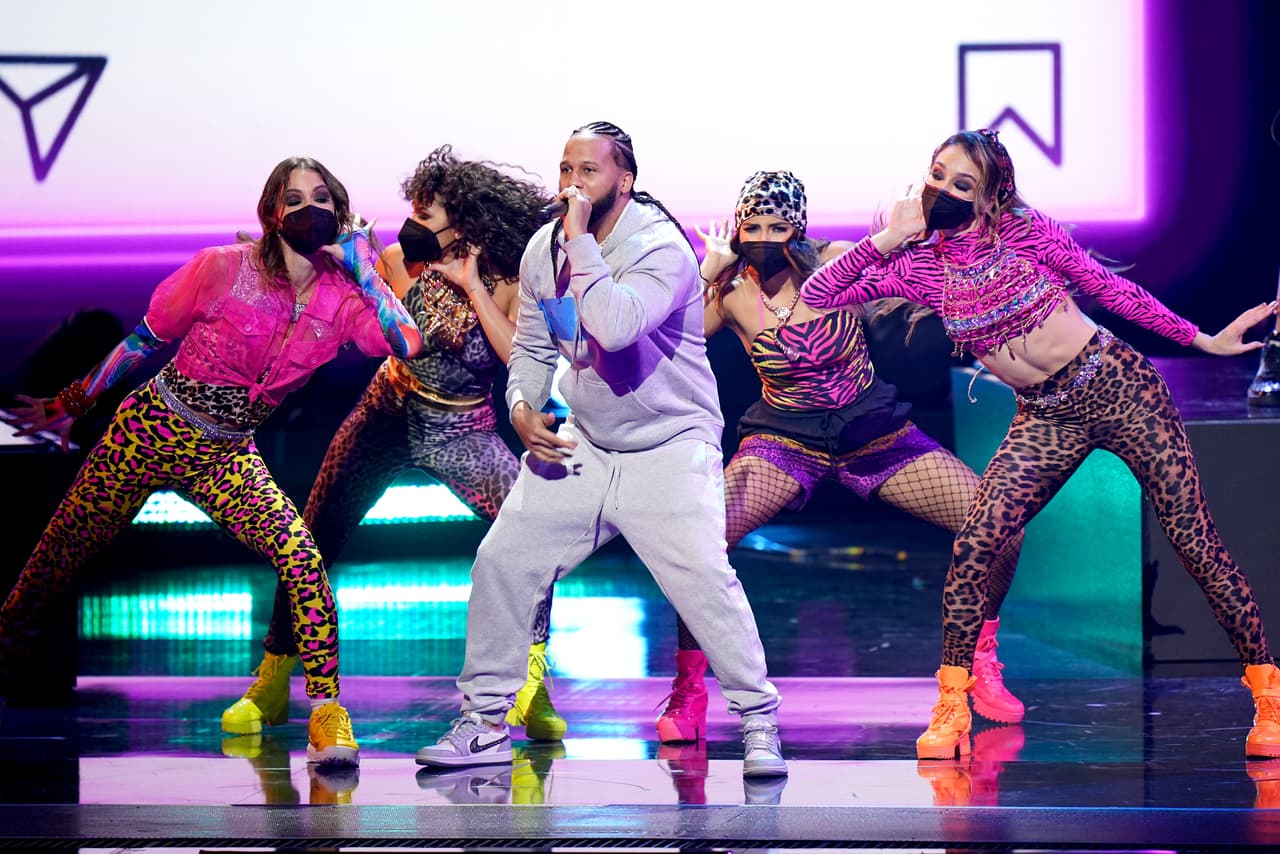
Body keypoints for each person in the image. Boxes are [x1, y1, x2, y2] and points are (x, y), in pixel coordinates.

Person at [800, 128, 1280, 760]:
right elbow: (817, 295)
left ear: (992, 195)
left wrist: (1200, 339)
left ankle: (1268, 696)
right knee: (977, 539)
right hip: (1046, 417)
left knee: (1194, 543)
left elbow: (1111, 292)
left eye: (962, 184)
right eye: (937, 175)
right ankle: (951, 706)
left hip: (1119, 389)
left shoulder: (1027, 234)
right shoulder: (917, 264)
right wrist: (887, 238)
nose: (942, 190)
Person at [3, 156, 423, 767]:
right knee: (51, 563)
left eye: (323, 198)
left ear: (340, 211)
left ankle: (328, 716)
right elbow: (145, 339)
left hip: (226, 455)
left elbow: (405, 342)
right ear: (272, 214)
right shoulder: (222, 268)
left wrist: (365, 269)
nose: (311, 209)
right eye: (295, 199)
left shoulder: (343, 298)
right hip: (147, 434)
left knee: (301, 557)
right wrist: (76, 399)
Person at [414, 121, 787, 778]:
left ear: (626, 180)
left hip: (670, 447)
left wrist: (581, 241)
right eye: (565, 170)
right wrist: (523, 408)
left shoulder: (660, 249)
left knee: (702, 581)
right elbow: (532, 348)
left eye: (588, 171)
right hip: (586, 442)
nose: (572, 184)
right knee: (503, 560)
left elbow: (612, 328)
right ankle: (483, 724)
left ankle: (759, 724)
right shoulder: (542, 250)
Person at [653, 170, 1026, 744]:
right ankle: (690, 687)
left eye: (778, 226)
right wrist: (709, 270)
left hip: (872, 436)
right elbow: (674, 336)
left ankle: (980, 660)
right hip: (784, 442)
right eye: (751, 226)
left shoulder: (839, 264)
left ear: (799, 228)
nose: (763, 237)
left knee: (998, 523)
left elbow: (918, 272)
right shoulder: (729, 291)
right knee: (698, 542)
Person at [220, 145, 571, 742]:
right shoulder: (395, 259)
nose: (413, 224)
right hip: (386, 410)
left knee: (532, 537)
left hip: (462, 427)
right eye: (413, 210)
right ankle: (272, 680)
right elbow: (355, 316)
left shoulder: (512, 279)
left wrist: (474, 290)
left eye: (427, 215)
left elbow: (522, 361)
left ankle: (529, 686)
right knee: (312, 535)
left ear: (465, 223)